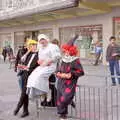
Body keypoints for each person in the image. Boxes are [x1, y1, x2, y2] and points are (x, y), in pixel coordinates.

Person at [56, 35, 84, 120]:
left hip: (70, 83)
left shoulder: (75, 60)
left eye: (68, 50)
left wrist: (71, 74)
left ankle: (69, 100)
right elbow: (56, 71)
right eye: (65, 50)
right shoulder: (62, 60)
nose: (66, 52)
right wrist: (59, 74)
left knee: (65, 99)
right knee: (60, 100)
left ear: (71, 51)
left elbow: (81, 72)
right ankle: (62, 115)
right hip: (61, 82)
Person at [27, 34, 61, 101]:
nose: (42, 42)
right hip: (42, 66)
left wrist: (49, 61)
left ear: (46, 39)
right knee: (32, 76)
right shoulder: (41, 48)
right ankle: (41, 93)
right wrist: (40, 61)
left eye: (43, 40)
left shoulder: (53, 46)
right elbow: (40, 58)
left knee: (41, 76)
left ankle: (47, 91)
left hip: (51, 66)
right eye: (40, 41)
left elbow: (58, 56)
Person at [13, 39, 39, 118]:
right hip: (23, 74)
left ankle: (19, 107)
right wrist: (20, 66)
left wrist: (28, 69)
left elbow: (38, 67)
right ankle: (25, 110)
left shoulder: (39, 54)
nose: (31, 47)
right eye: (29, 45)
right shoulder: (25, 52)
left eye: (33, 45)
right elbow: (21, 59)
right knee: (24, 93)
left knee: (24, 92)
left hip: (31, 76)